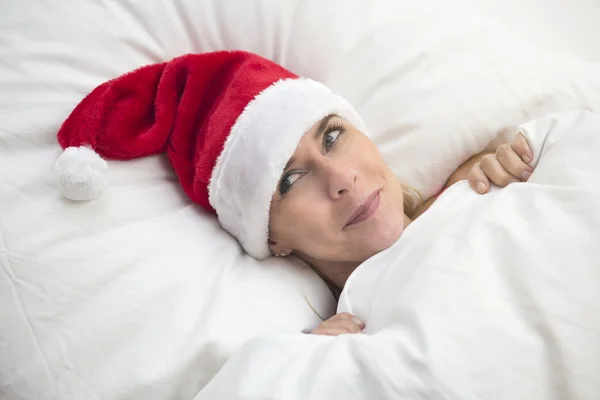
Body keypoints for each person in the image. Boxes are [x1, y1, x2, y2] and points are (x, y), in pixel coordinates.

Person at [52, 50, 534, 336]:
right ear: (272, 238)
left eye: (331, 136)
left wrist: (507, 173)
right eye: (289, 179)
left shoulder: (481, 181)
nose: (340, 179)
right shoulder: (335, 340)